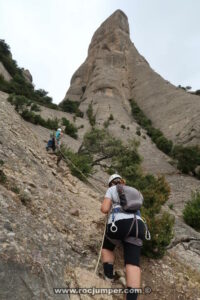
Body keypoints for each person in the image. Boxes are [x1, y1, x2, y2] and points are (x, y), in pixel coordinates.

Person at [101, 174, 145, 300]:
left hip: (120, 224)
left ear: (111, 183)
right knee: (133, 264)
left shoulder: (111, 189)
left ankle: (108, 277)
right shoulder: (134, 191)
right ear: (123, 182)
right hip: (138, 225)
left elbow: (104, 209)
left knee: (107, 248)